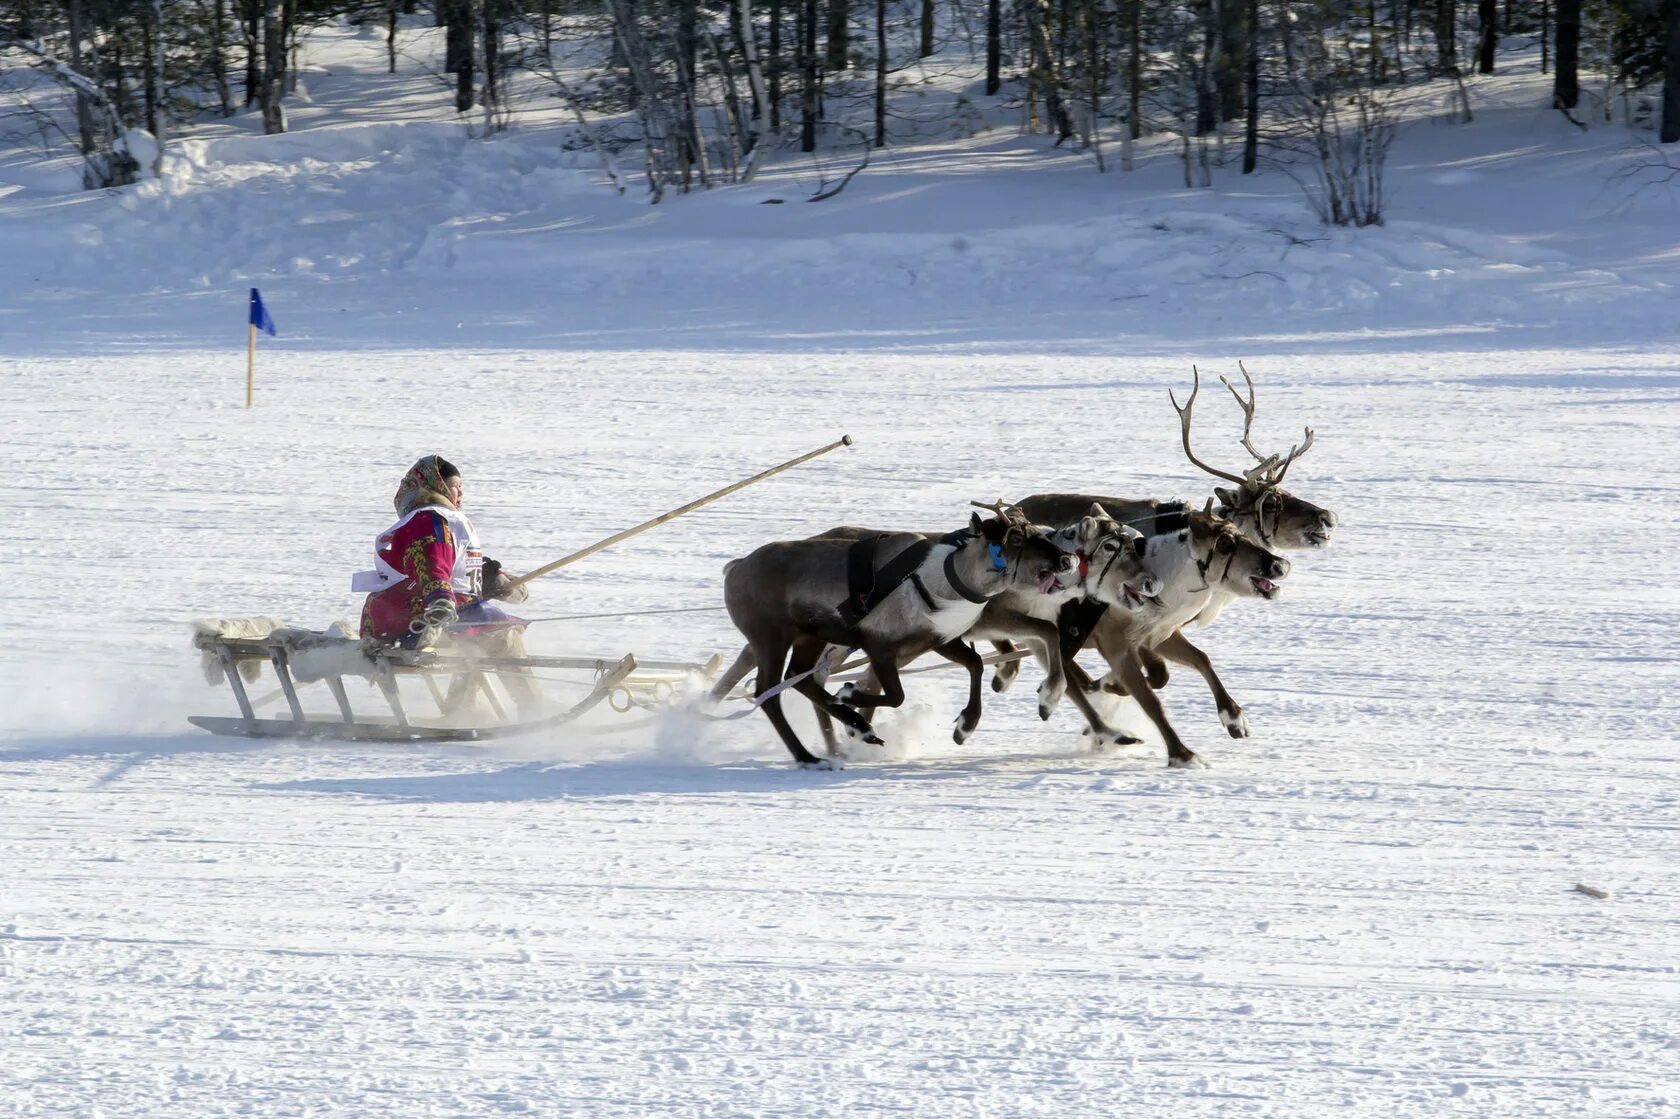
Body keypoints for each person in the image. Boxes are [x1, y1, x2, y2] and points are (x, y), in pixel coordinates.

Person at [353, 455, 539, 715]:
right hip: (414, 621)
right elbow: (430, 563)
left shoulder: (444, 521)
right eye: (454, 485)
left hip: (433, 614)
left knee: (479, 637)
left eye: (462, 486)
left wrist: (495, 583)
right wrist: (439, 599)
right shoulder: (430, 522)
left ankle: (460, 711)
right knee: (501, 635)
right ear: (434, 486)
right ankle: (532, 707)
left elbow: (456, 573)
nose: (460, 492)